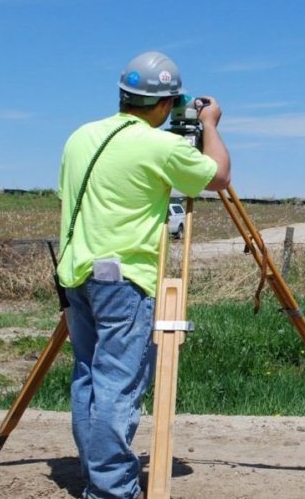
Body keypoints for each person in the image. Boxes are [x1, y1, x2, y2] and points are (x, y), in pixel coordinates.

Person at [56, 51, 230, 499]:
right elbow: (219, 176)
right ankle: (113, 490)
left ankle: (96, 471)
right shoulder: (160, 146)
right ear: (163, 105)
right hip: (124, 282)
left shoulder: (80, 137)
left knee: (89, 378)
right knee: (118, 383)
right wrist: (208, 124)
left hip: (75, 275)